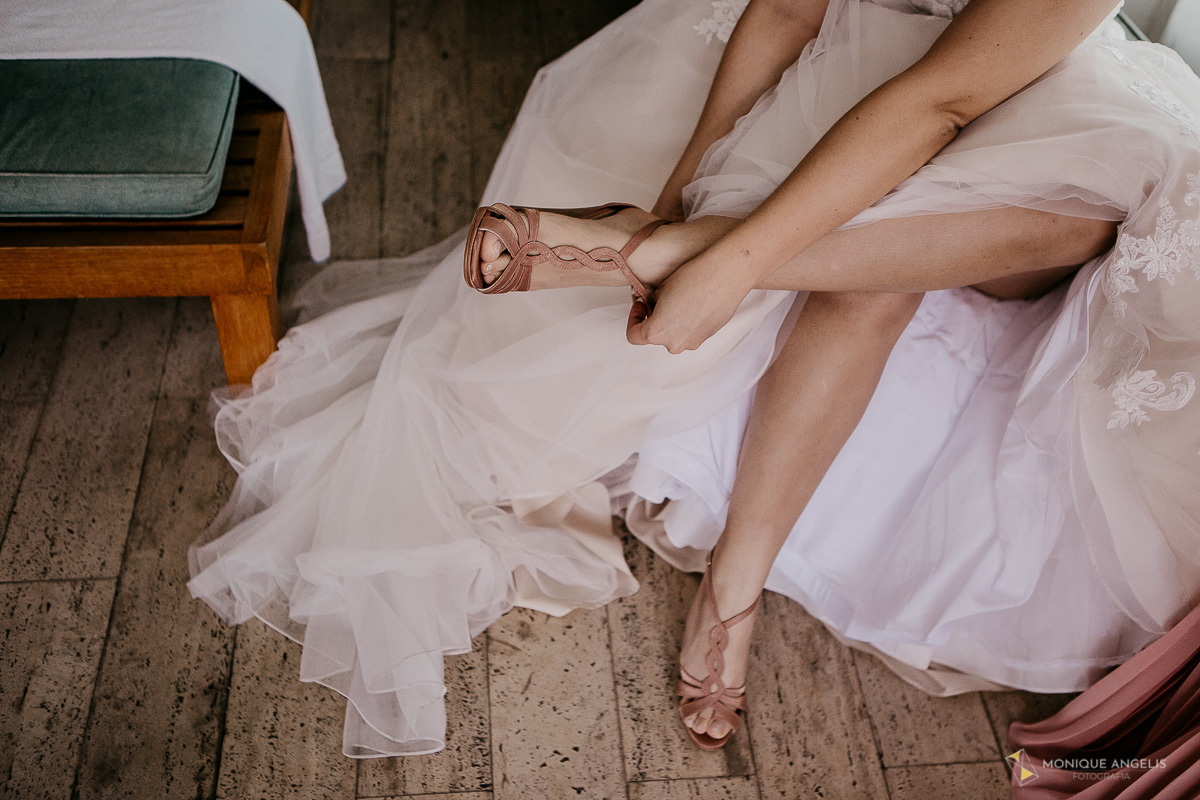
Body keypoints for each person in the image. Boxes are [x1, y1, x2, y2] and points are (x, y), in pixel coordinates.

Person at [188, 0, 1200, 758]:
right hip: (886, 61)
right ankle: (733, 588)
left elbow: (946, 97)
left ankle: (652, 252)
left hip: (1048, 95)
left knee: (1088, 203)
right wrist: (681, 188)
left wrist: (730, 255)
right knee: (878, 280)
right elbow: (790, 6)